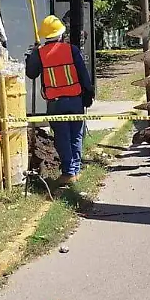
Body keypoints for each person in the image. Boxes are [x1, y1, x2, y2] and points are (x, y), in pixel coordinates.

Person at [25, 15, 95, 186]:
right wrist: (88, 93)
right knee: (76, 136)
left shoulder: (40, 53)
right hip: (75, 99)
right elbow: (83, 75)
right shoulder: (72, 50)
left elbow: (31, 74)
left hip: (55, 102)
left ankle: (69, 172)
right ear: (62, 34)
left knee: (62, 137)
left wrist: (33, 54)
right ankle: (75, 170)